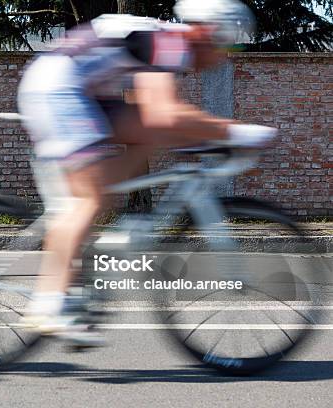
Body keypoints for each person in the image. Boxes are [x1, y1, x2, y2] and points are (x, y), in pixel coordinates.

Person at [16, 0, 277, 336]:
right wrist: (236, 132)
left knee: (144, 139)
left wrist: (203, 142)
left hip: (79, 88)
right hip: (56, 89)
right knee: (87, 200)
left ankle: (88, 239)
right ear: (209, 31)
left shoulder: (169, 44)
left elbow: (154, 121)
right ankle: (48, 304)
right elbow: (165, 113)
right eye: (231, 43)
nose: (229, 53)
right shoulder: (170, 42)